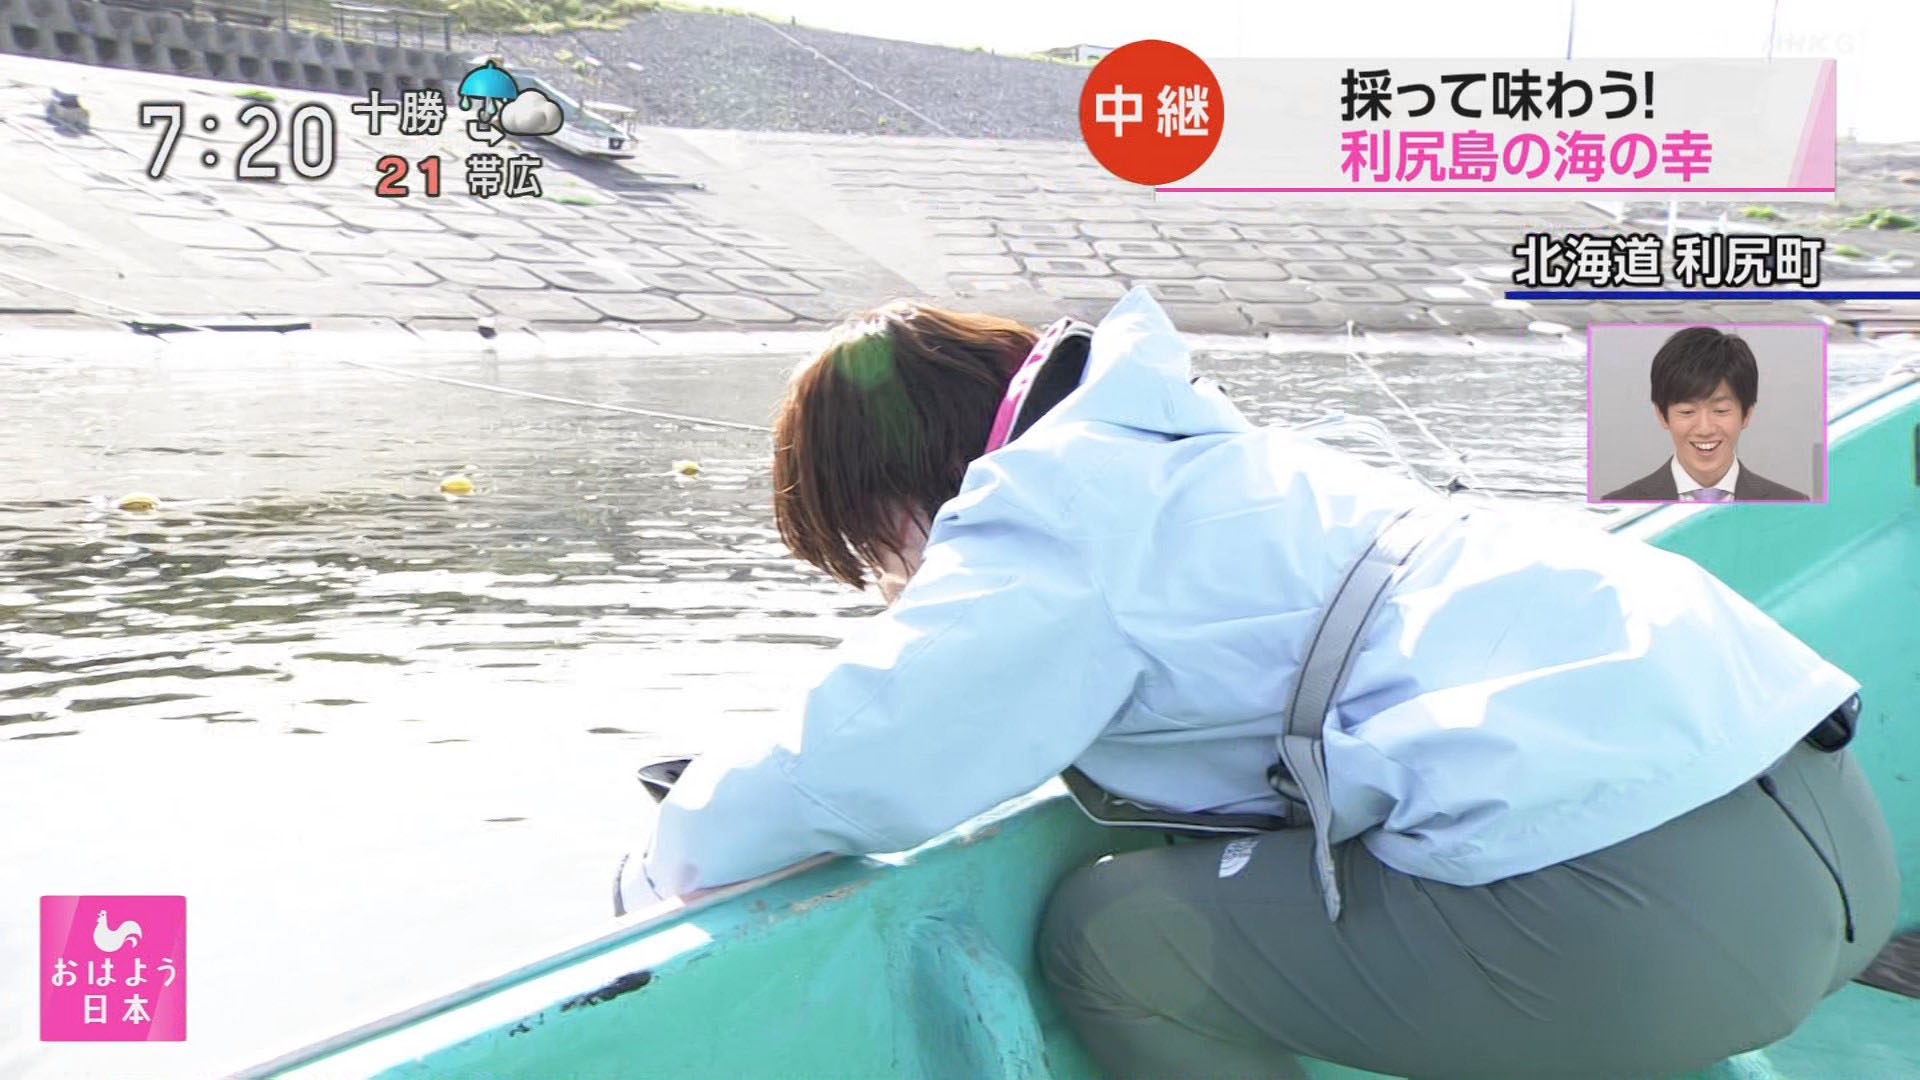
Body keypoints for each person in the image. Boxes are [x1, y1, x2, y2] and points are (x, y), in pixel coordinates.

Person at [617, 289, 1897, 1080]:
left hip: (1655, 925)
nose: (897, 585)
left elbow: (865, 760)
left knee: (1115, 937)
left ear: (905, 495)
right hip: (1836, 854)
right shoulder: (1219, 456)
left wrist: (667, 855)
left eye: (874, 553)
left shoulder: (1053, 514)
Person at [1602, 325, 1811, 502]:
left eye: (1720, 411)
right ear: (1662, 415)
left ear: (1746, 414)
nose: (1705, 429)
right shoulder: (1616, 505)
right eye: (1687, 411)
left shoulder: (1794, 504)